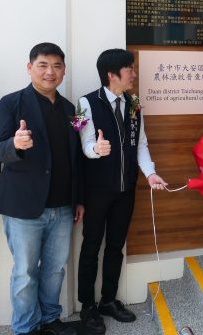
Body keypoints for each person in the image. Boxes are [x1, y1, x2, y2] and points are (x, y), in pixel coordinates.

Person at [0, 43, 84, 335]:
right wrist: (15, 145)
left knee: (55, 270)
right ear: (29, 68)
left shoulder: (72, 109)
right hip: (24, 207)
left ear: (64, 70)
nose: (50, 72)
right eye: (43, 65)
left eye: (57, 66)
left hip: (63, 206)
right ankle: (25, 328)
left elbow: (78, 155)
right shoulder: (10, 103)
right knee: (25, 272)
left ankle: (50, 319)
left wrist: (79, 199)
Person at [76, 48, 167, 334]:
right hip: (96, 190)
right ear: (112, 74)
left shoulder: (134, 103)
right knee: (91, 246)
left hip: (126, 189)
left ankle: (108, 300)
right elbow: (82, 142)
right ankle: (87, 306)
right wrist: (96, 148)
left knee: (116, 246)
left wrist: (150, 173)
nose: (134, 74)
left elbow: (141, 144)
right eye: (129, 69)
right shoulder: (84, 102)